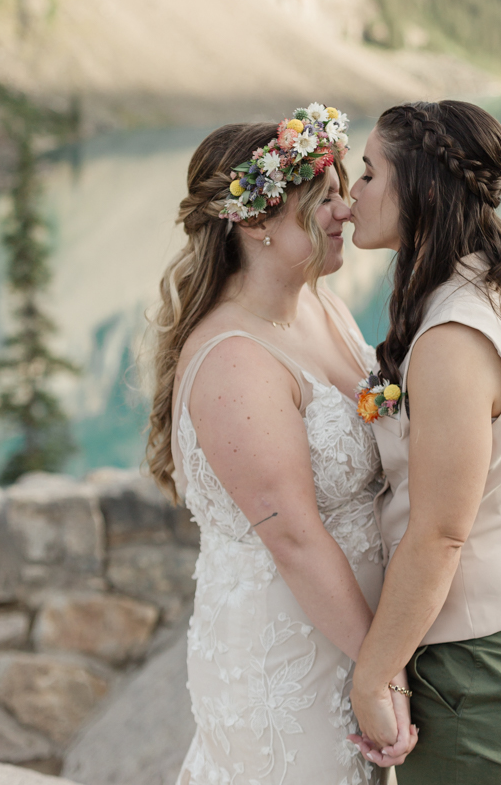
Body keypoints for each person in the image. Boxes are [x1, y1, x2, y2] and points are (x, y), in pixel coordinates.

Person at [144, 105, 417, 785]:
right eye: (320, 199)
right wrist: (384, 678)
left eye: (341, 191)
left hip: (351, 642)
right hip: (286, 659)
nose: (345, 212)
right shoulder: (236, 359)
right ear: (257, 221)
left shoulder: (323, 305)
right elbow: (294, 536)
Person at [346, 100, 501, 784]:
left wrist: (373, 674)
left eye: (368, 173)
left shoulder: (454, 338)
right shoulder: (478, 288)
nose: (352, 192)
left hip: (484, 660)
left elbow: (440, 533)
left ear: (420, 187)